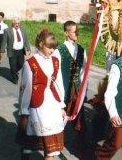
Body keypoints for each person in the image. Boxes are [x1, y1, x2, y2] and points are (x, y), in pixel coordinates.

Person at [16, 29, 66, 160]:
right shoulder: (30, 63)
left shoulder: (55, 60)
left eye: (54, 47)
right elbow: (25, 89)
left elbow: (58, 83)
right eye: (49, 47)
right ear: (41, 44)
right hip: (37, 106)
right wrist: (24, 111)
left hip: (52, 104)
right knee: (32, 141)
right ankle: (26, 153)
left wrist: (61, 105)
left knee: (51, 148)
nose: (52, 50)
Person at [52, 21, 87, 158]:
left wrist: (84, 90)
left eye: (77, 31)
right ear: (66, 33)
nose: (76, 33)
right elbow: (54, 73)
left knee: (80, 119)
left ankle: (80, 148)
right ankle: (54, 146)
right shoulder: (59, 50)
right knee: (60, 119)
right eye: (73, 31)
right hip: (64, 91)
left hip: (77, 91)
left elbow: (84, 71)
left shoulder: (81, 50)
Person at [1, 17, 31, 84]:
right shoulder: (7, 30)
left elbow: (26, 40)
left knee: (21, 64)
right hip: (12, 51)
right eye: (16, 23)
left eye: (18, 23)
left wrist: (28, 49)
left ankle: (14, 71)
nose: (17, 25)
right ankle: (15, 78)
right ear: (13, 23)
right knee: (13, 65)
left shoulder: (23, 30)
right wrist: (2, 50)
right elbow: (4, 41)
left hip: (20, 51)